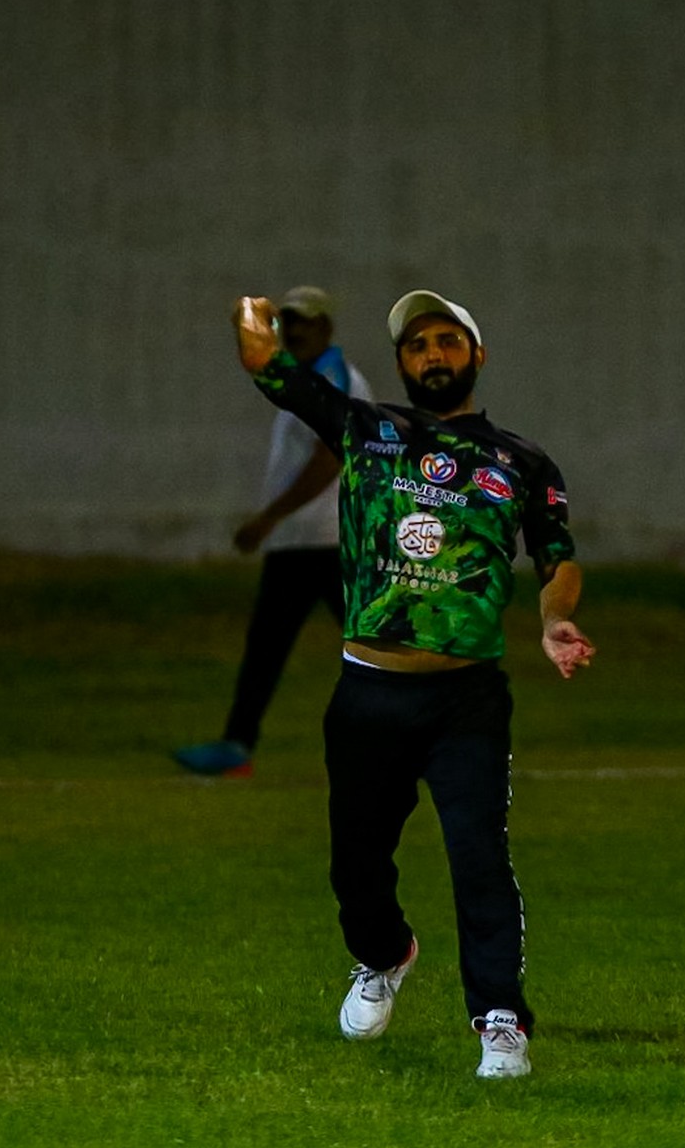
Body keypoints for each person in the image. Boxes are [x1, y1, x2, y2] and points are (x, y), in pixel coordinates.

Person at [231, 287, 595, 1080]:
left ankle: (501, 1020)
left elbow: (557, 556)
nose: (433, 354)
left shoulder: (522, 462)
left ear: (477, 355)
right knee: (355, 865)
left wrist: (554, 619)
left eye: (447, 340)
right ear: (401, 362)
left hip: (466, 699)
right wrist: (252, 318)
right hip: (369, 694)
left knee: (479, 857)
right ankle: (384, 954)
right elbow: (271, 369)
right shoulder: (366, 429)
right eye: (418, 344)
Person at [175, 286, 373, 778]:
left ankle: (430, 736)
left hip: (330, 539)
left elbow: (329, 459)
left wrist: (269, 517)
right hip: (304, 540)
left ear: (325, 327)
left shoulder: (336, 381)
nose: (296, 330)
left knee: (370, 648)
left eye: (305, 321)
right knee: (272, 646)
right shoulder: (303, 381)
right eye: (289, 321)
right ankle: (236, 744)